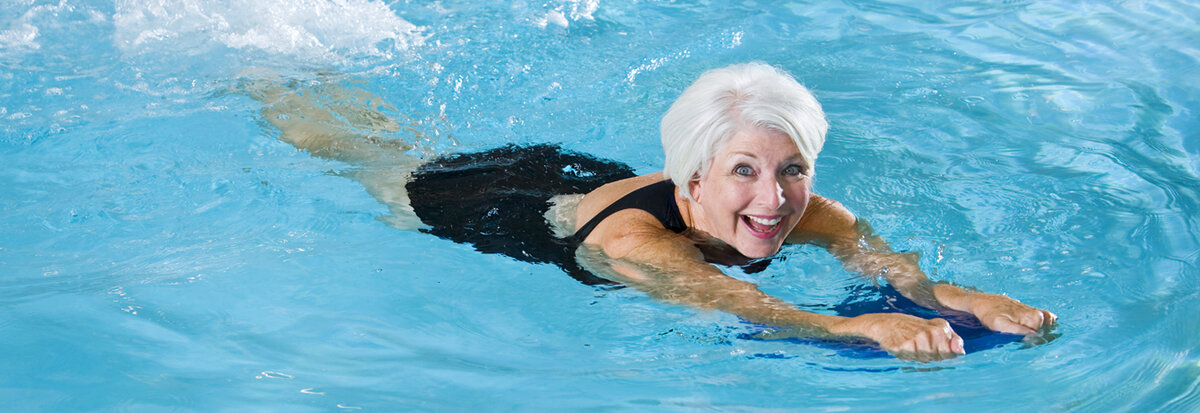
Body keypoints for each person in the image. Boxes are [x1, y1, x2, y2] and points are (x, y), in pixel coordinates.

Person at [242, 62, 1056, 362]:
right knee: (370, 159)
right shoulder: (637, 246)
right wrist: (854, 328)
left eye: (792, 170)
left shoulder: (809, 210)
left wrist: (962, 298)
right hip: (492, 206)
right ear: (694, 176)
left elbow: (895, 272)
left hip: (579, 174)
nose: (775, 201)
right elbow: (741, 302)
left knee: (400, 135)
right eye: (746, 172)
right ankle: (260, 78)